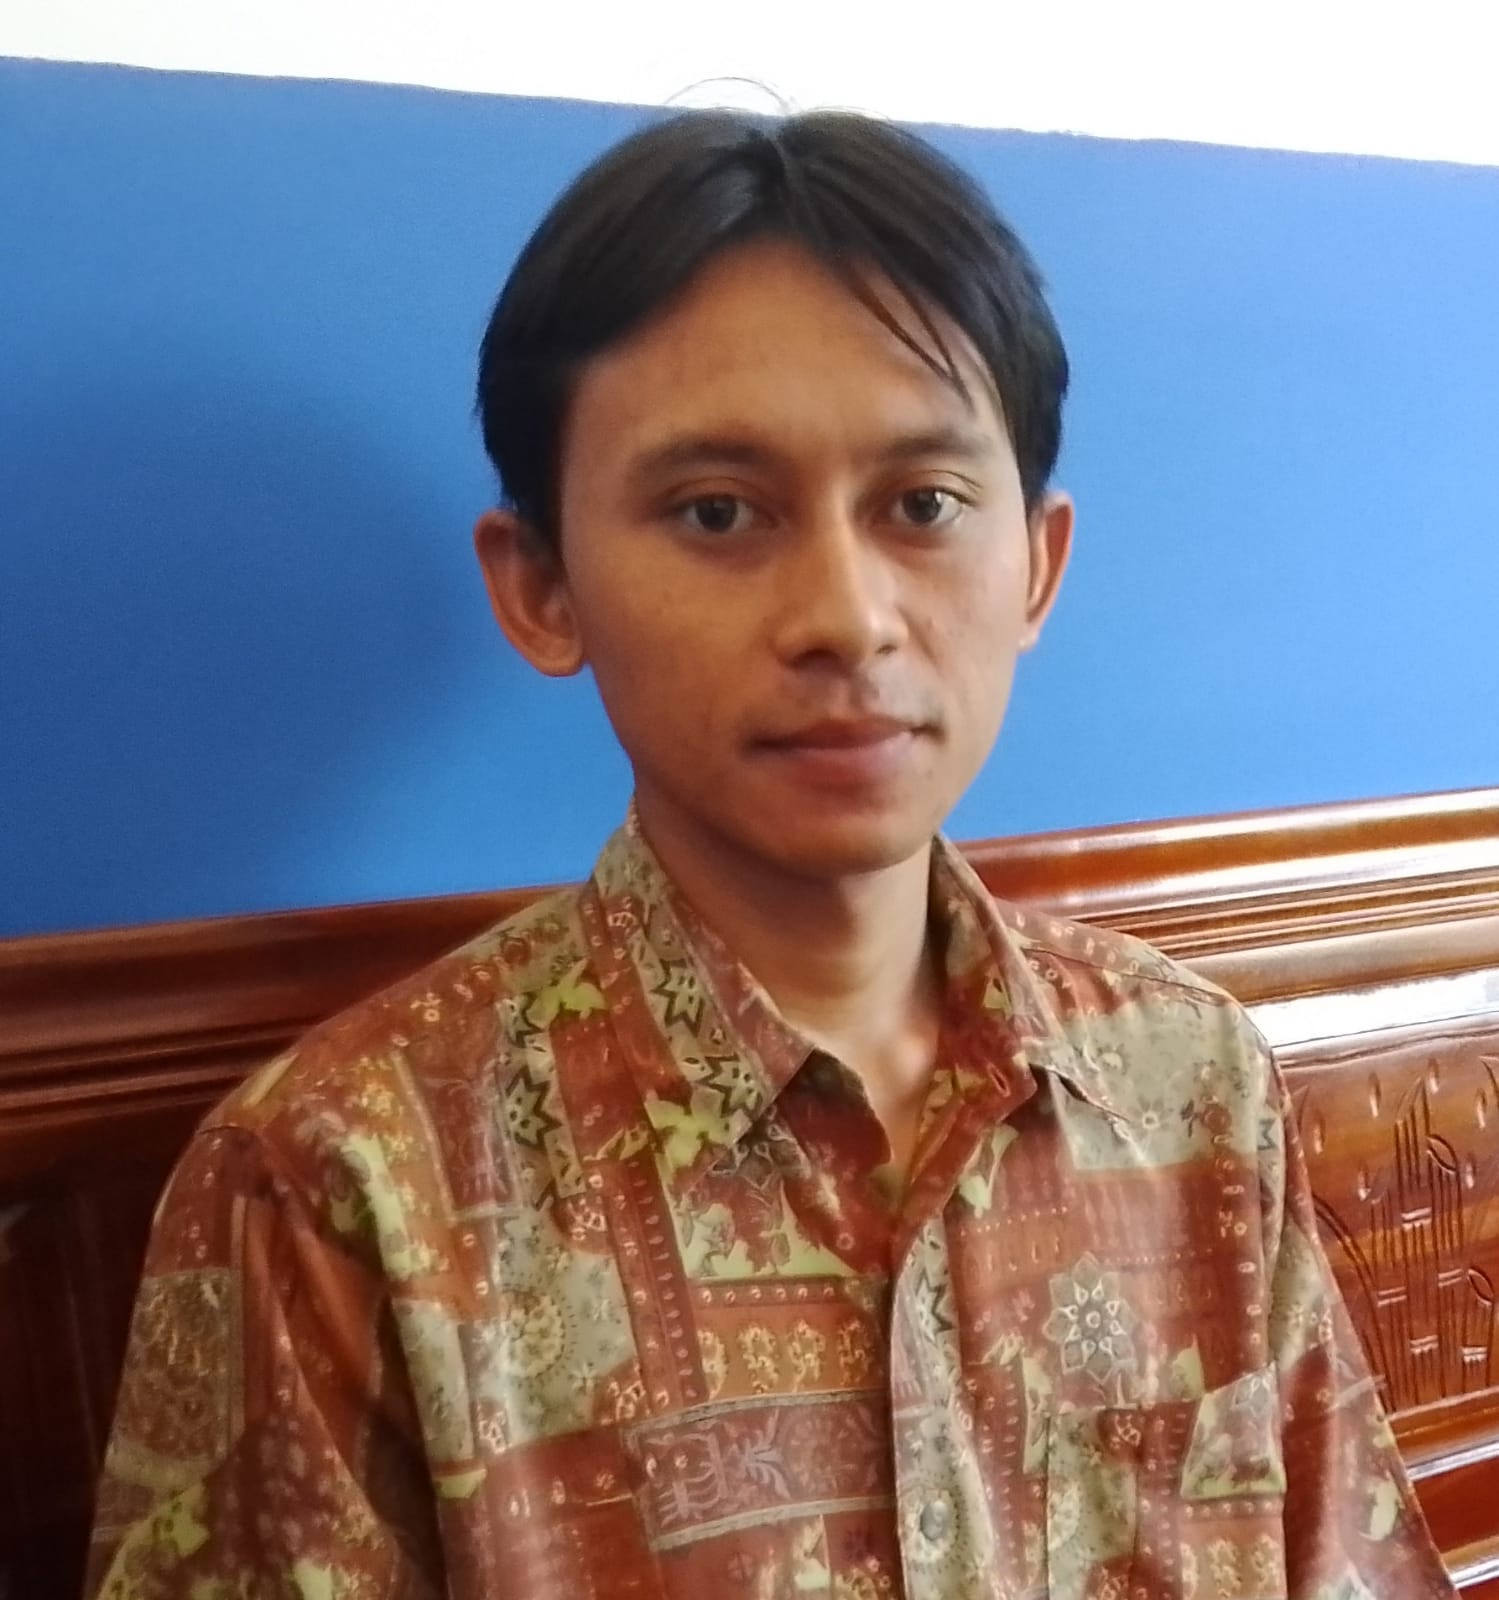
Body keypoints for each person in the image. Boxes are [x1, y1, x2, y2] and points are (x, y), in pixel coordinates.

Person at [87, 110, 1454, 1600]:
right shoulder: (339, 1180)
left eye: (922, 505)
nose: (846, 618)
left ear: (1038, 564)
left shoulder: (1187, 1081)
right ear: (542, 588)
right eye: (718, 512)